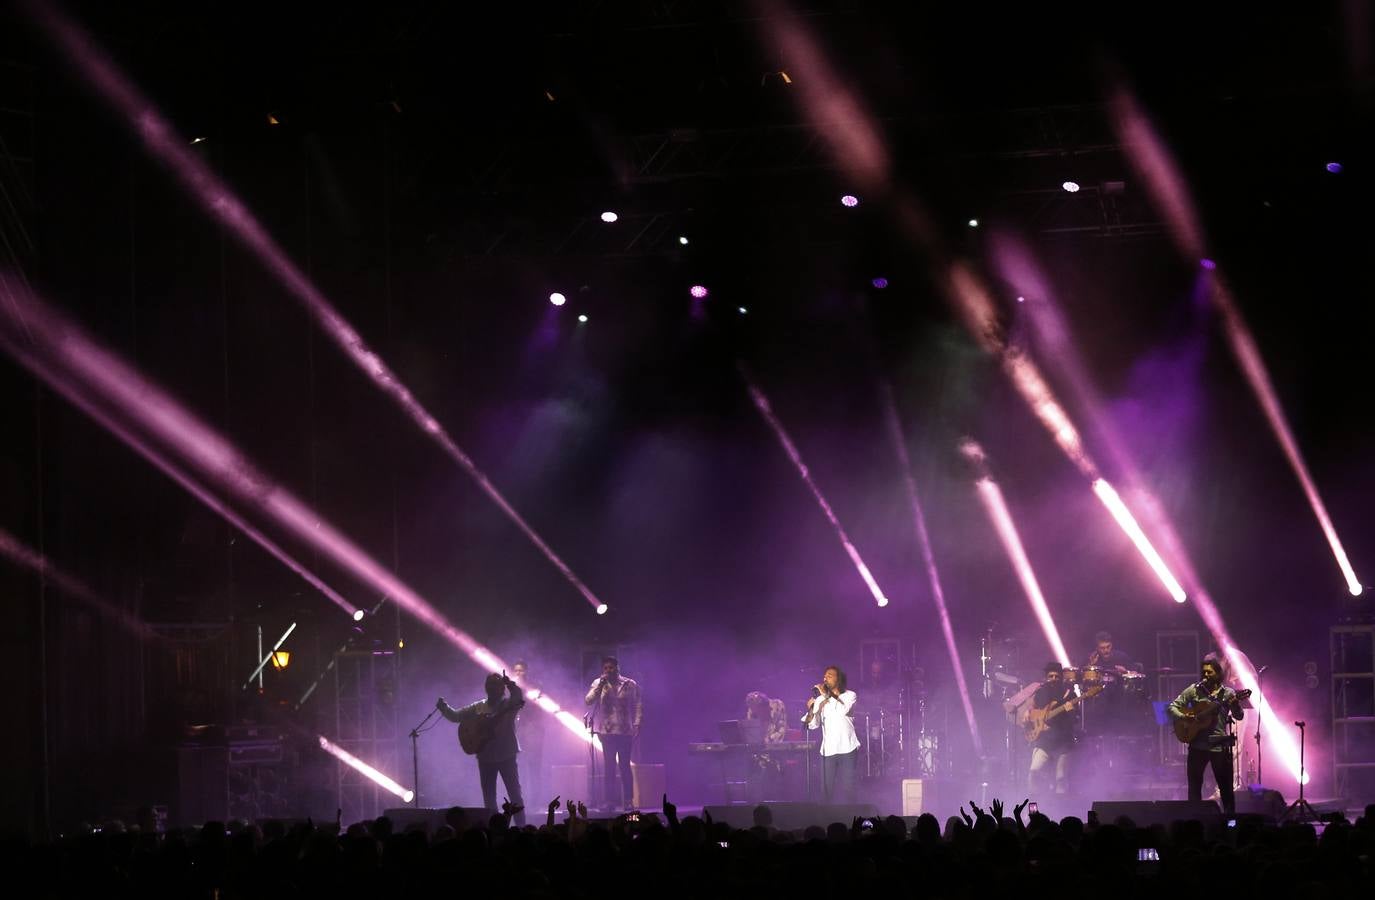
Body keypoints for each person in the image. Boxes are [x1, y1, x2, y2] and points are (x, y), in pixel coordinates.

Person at [437, 671, 527, 825]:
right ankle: (495, 827)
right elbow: (456, 716)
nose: (491, 687)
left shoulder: (508, 705)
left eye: (495, 684)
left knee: (515, 794)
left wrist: (510, 684)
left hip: (506, 754)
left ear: (502, 688)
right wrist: (443, 708)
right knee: (489, 796)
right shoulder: (478, 706)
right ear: (485, 687)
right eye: (489, 684)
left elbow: (518, 696)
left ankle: (522, 828)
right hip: (485, 756)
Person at [1168, 656, 1245, 815]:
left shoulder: (1228, 693)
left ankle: (1230, 822)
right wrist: (1184, 717)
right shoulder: (1194, 689)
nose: (1206, 675)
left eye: (1209, 672)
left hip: (1219, 745)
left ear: (1218, 673)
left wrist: (1236, 705)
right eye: (1204, 672)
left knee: (1225, 788)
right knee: (1194, 786)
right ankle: (1195, 821)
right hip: (1197, 745)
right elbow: (1173, 707)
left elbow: (1239, 716)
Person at [585, 656, 642, 810]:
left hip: (624, 731)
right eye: (605, 668)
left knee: (624, 766)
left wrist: (637, 723)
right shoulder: (598, 683)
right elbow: (588, 701)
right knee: (609, 767)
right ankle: (609, 801)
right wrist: (599, 687)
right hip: (607, 732)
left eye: (611, 667)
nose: (608, 670)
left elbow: (637, 704)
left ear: (618, 668)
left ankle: (628, 800)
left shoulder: (630, 684)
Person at [803, 665, 859, 803]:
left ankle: (852, 817)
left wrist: (825, 695)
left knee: (848, 788)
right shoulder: (821, 700)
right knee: (826, 790)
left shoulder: (850, 695)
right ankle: (827, 819)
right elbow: (812, 725)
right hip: (828, 750)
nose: (825, 678)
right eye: (824, 676)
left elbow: (842, 709)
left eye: (829, 675)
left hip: (847, 748)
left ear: (838, 678)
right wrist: (811, 709)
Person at [1024, 661, 1075, 796]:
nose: (1053, 679)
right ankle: (1033, 807)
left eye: (1056, 676)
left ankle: (1061, 808)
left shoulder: (1068, 694)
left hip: (1062, 743)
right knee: (1033, 772)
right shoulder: (1040, 692)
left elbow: (1073, 720)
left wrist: (1070, 711)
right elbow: (1032, 708)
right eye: (1051, 676)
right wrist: (1028, 712)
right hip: (1044, 742)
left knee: (1061, 778)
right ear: (1046, 677)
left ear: (1061, 678)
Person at [511, 660, 546, 805]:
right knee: (519, 766)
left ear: (526, 671)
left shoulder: (535, 686)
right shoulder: (511, 688)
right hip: (518, 731)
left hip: (533, 731)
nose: (518, 673)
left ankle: (535, 800)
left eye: (521, 670)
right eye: (516, 671)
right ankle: (520, 800)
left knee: (534, 766)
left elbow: (534, 706)